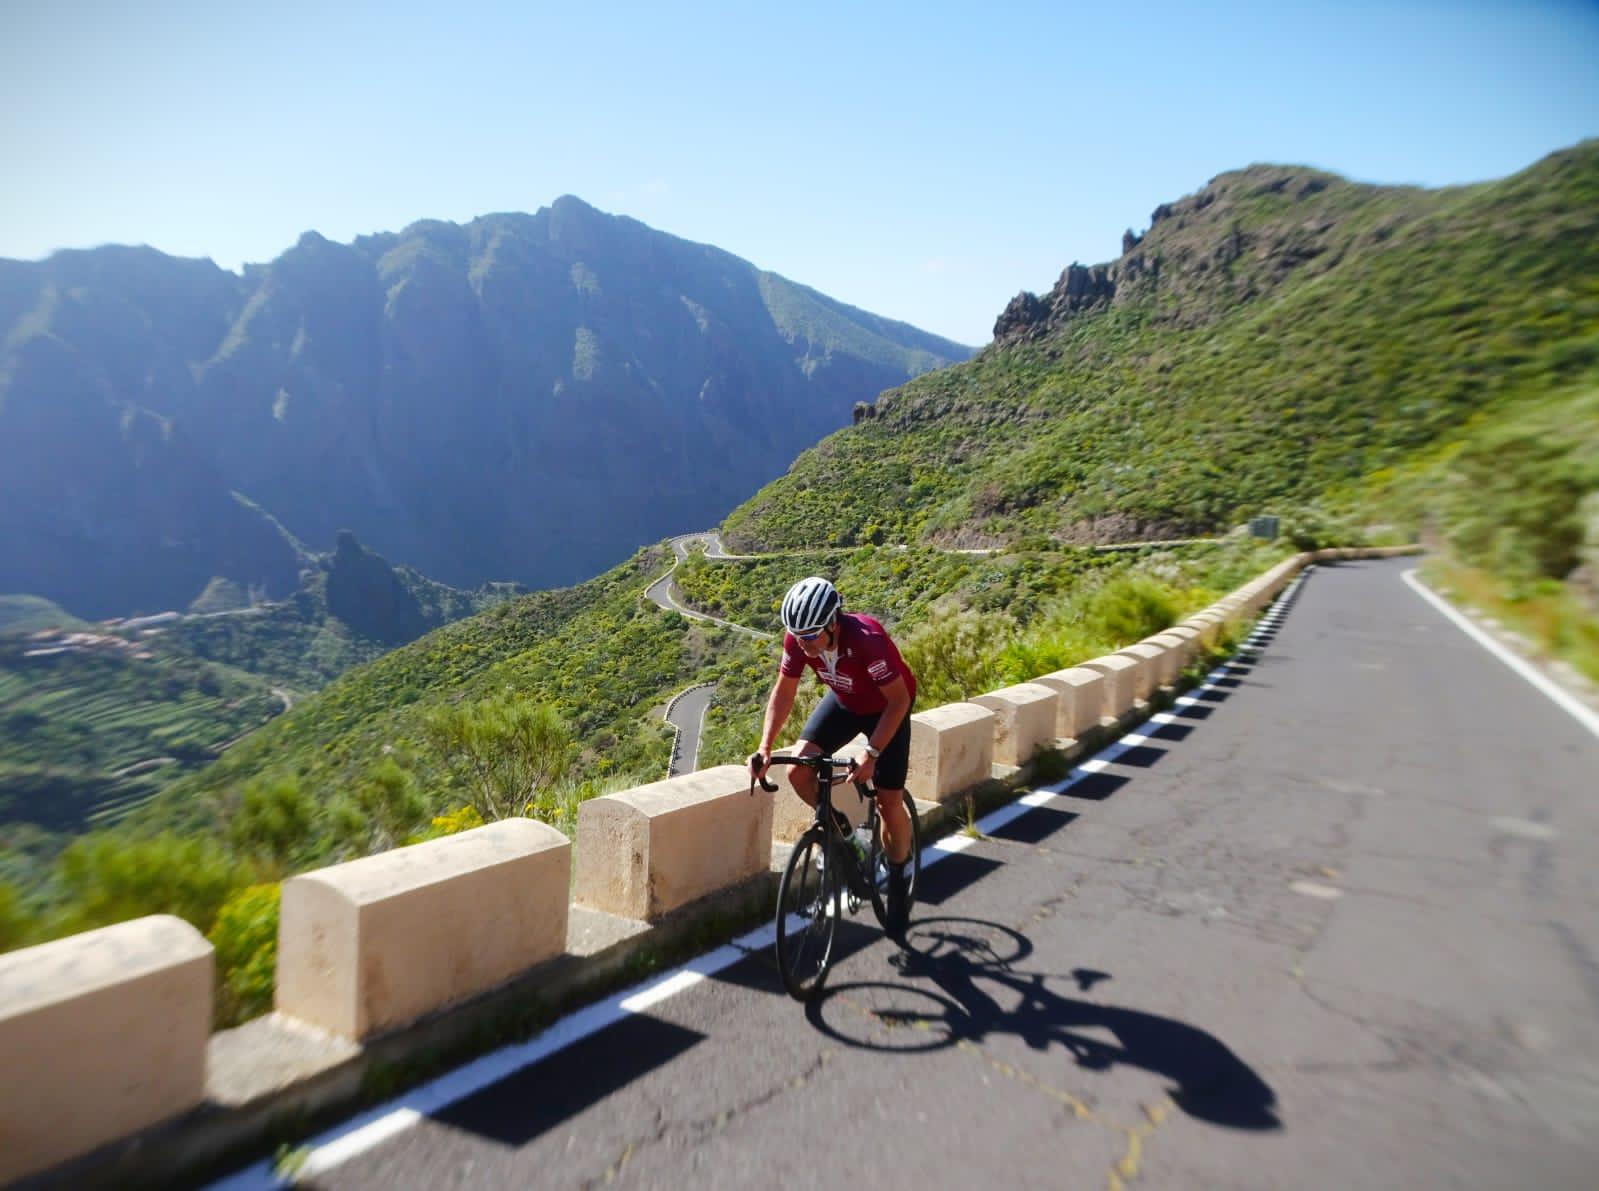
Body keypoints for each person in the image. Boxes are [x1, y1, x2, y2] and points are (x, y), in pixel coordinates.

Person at [748, 576, 917, 939]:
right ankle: (847, 839)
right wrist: (764, 747)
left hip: (887, 708)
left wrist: (871, 753)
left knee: (889, 804)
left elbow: (899, 700)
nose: (803, 644)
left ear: (832, 623)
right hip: (845, 701)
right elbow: (784, 691)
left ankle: (901, 875)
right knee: (797, 772)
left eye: (810, 636)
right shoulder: (798, 639)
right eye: (798, 636)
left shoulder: (867, 640)